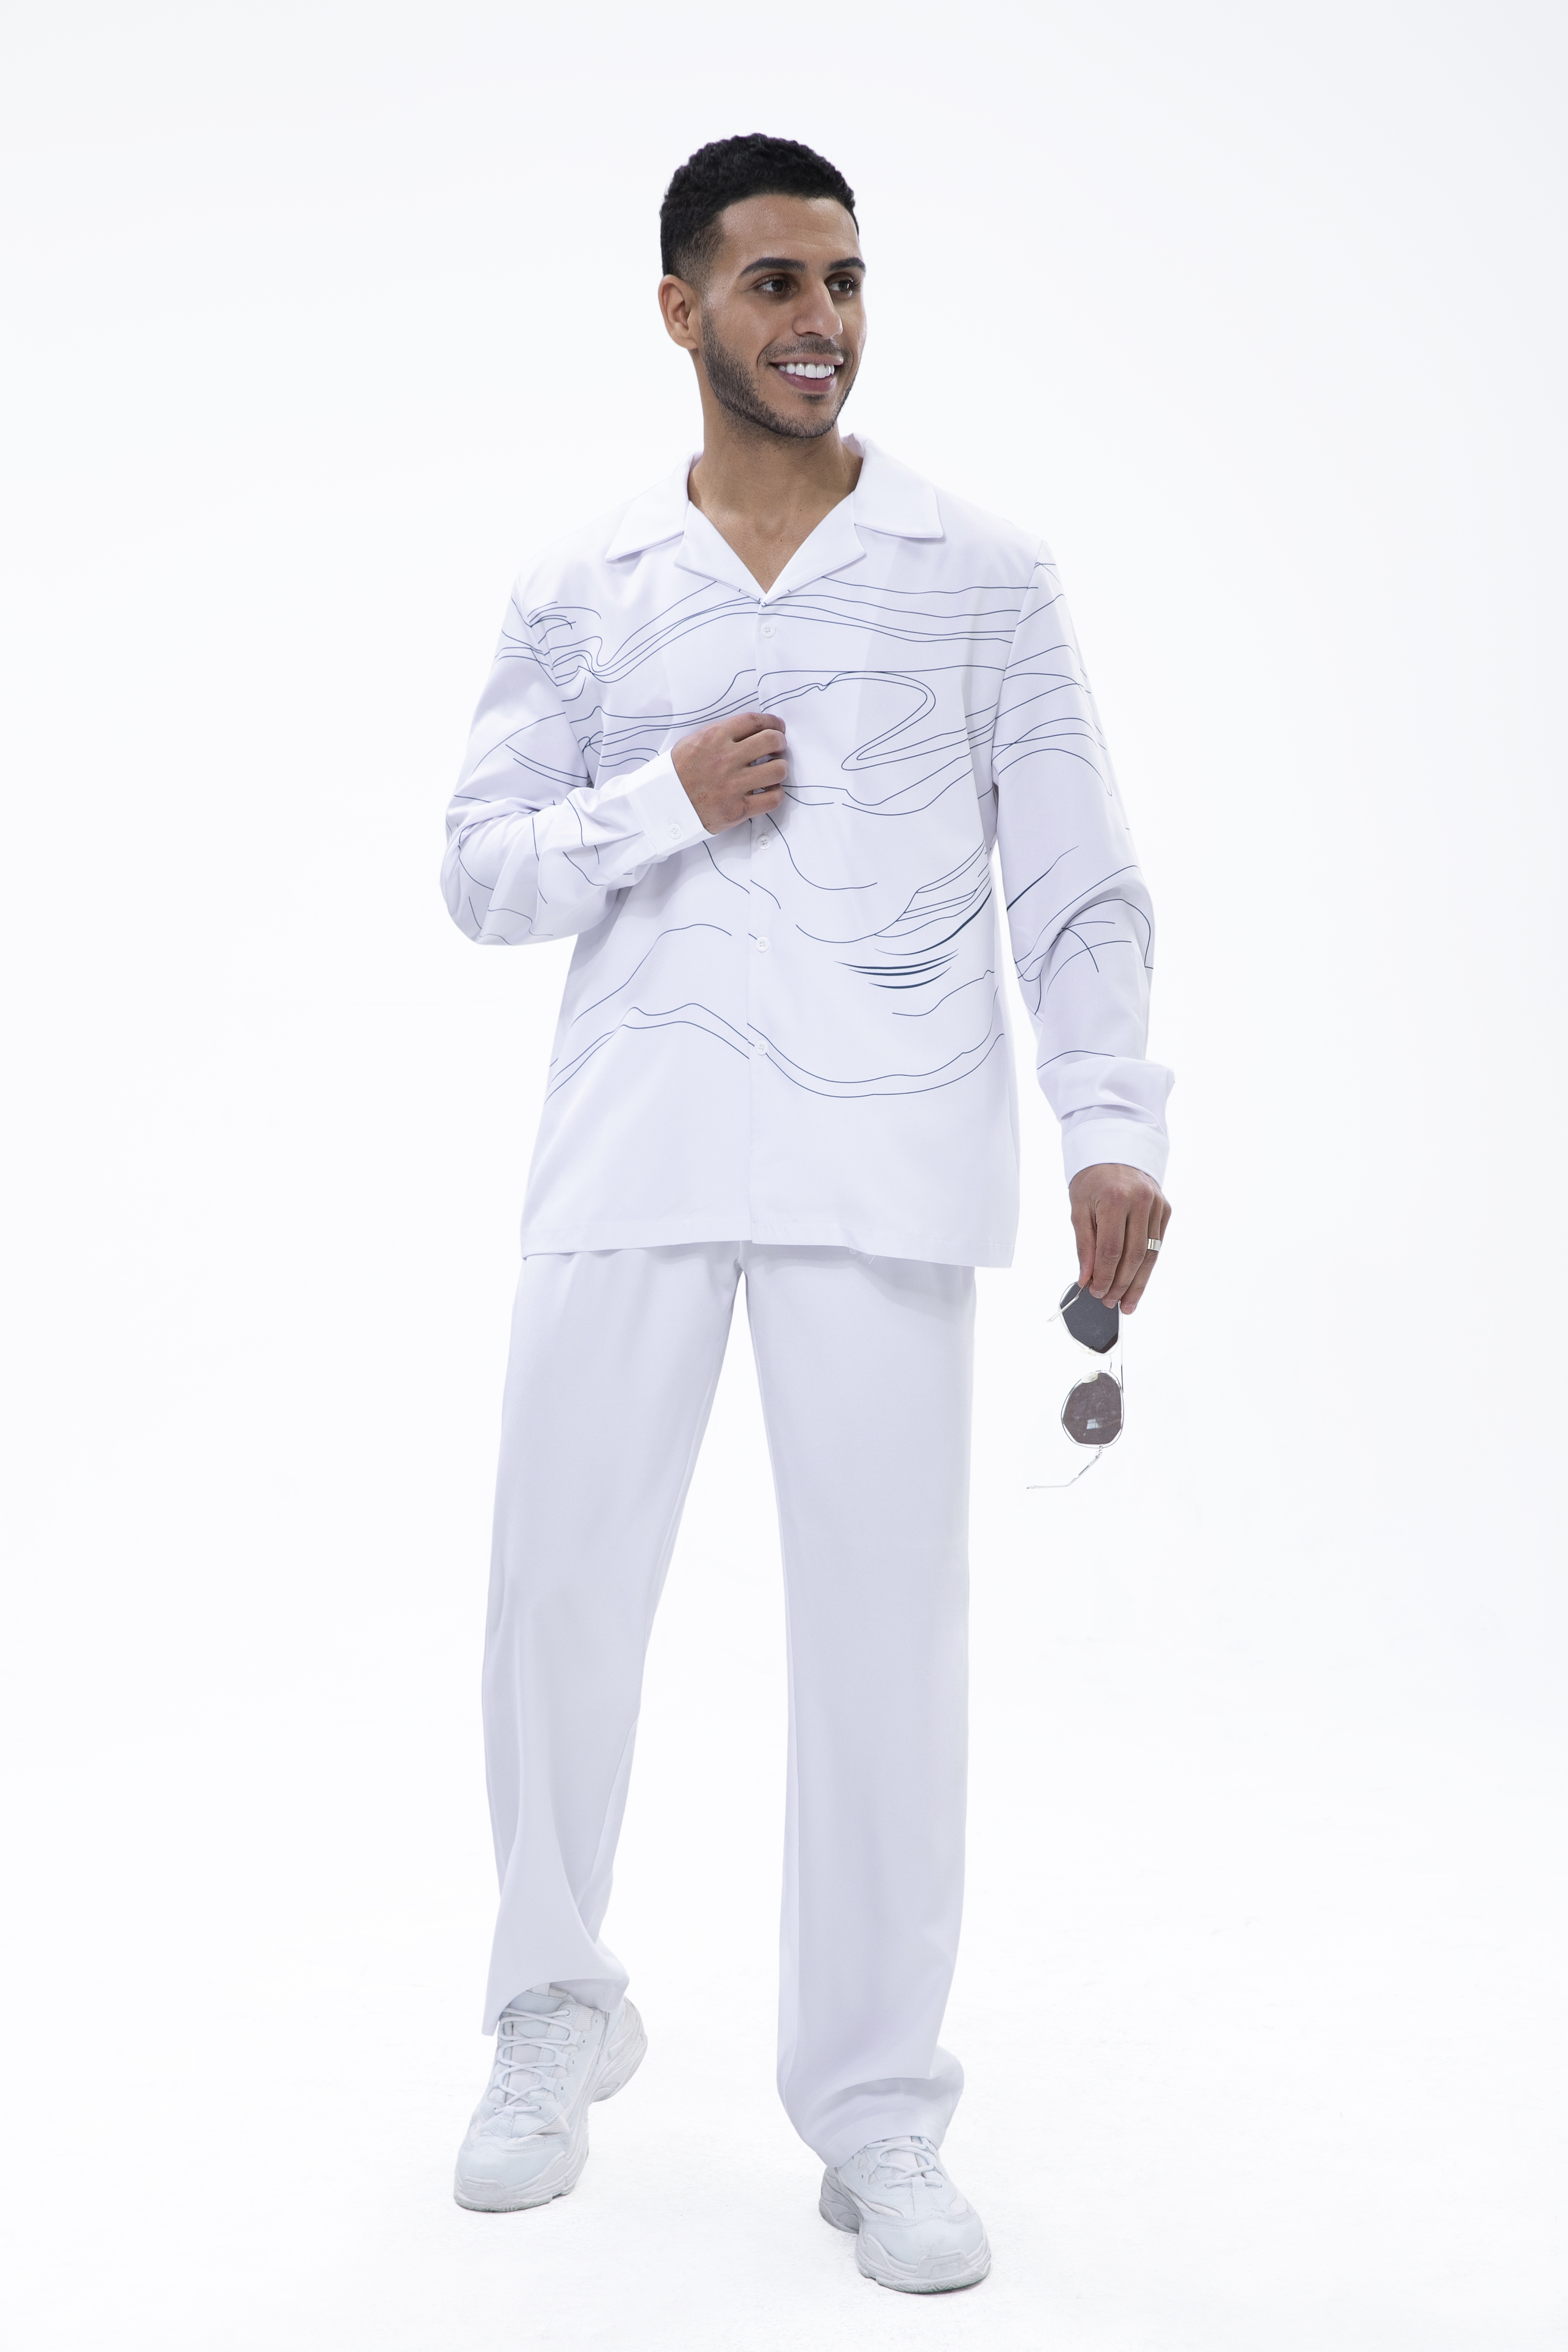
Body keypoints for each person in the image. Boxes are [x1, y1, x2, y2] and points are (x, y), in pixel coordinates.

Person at [440, 132, 1173, 2295]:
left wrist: (1109, 1121)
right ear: (683, 310)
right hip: (639, 1143)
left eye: (844, 280)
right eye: (773, 283)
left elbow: (1080, 873)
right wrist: (659, 803)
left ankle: (876, 2105)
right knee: (558, 1599)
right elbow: (477, 870)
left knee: (882, 1645)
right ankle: (551, 2008)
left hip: (887, 1157)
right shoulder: (586, 589)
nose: (819, 321)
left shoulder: (983, 575)